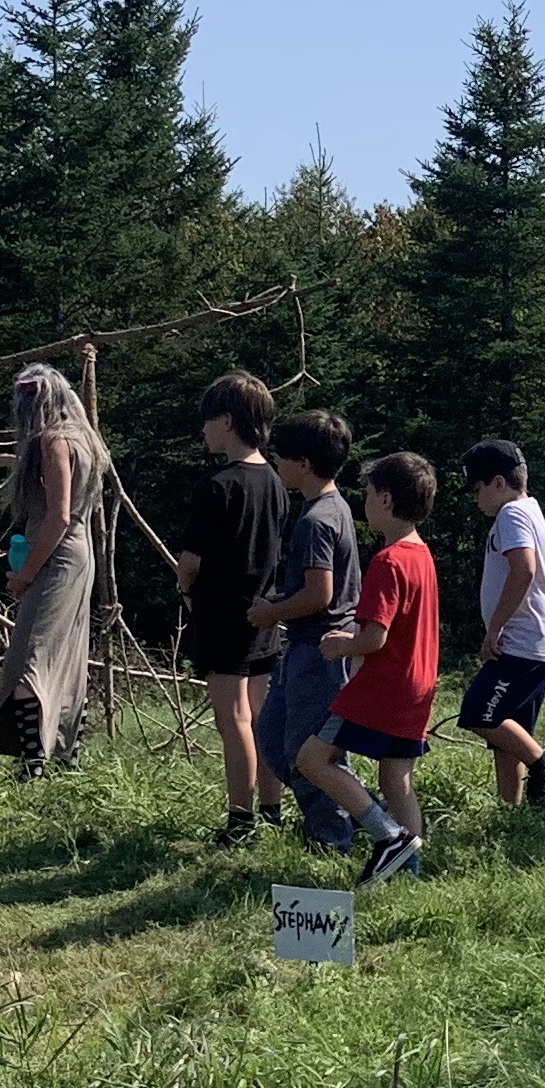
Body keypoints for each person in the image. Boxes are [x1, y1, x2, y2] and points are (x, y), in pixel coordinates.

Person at [298, 451, 442, 884]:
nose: (363, 502)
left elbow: (375, 636)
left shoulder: (388, 561)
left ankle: (388, 837)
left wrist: (342, 645)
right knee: (396, 778)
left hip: (383, 685)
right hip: (420, 684)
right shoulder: (422, 554)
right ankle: (409, 869)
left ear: (383, 498)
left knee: (312, 758)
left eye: (367, 494)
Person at [171, 371, 290, 847]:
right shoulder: (277, 484)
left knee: (232, 718)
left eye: (207, 422)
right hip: (266, 613)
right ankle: (272, 808)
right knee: (261, 715)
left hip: (223, 617)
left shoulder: (216, 486)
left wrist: (184, 588)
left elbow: (189, 562)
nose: (203, 431)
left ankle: (241, 822)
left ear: (227, 421)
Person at [249, 410, 363, 851]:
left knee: (307, 752)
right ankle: (351, 823)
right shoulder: (331, 508)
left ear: (304, 463)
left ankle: (341, 837)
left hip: (319, 652)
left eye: (283, 457)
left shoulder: (317, 521)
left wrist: (271, 612)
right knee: (276, 741)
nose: (277, 464)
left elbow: (320, 593)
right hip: (303, 649)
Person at [0, 363, 106, 779]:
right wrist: (1, 460)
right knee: (69, 659)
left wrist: (25, 574)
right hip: (80, 554)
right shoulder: (79, 438)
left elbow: (57, 514)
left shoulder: (54, 441)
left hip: (57, 557)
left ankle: (33, 760)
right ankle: (67, 754)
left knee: (29, 656)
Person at [458, 439, 545, 806]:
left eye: (477, 489)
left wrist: (495, 627)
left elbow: (524, 568)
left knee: (478, 713)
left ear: (498, 482)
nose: (475, 499)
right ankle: (512, 808)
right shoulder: (530, 510)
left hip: (523, 642)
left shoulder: (511, 515)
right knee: (510, 730)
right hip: (539, 642)